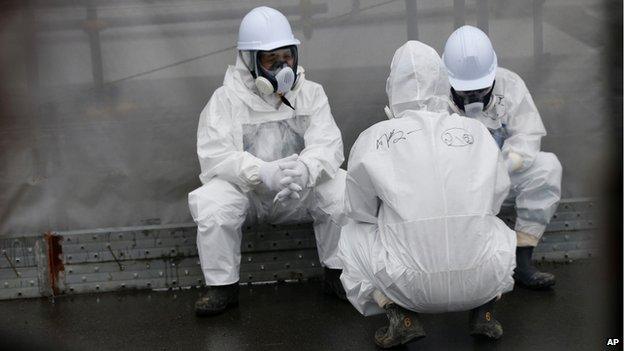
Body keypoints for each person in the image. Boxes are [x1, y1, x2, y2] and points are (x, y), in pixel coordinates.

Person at [339, 41, 516, 349]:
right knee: (498, 229)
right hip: (482, 277)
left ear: (392, 86)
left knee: (350, 234)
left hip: (406, 284)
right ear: (443, 82)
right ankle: (485, 309)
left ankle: (398, 314)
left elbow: (359, 210)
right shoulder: (476, 133)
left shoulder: (374, 138)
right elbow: (497, 199)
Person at [188, 6, 346, 316]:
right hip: (251, 196)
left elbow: (328, 144)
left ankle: (337, 275)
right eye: (270, 60)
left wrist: (305, 168)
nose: (282, 67)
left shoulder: (311, 94)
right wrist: (261, 172)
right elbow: (215, 156)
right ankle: (222, 288)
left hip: (299, 190)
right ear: (249, 62)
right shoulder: (225, 100)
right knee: (212, 202)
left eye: (286, 57)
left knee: (341, 189)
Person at [442, 25, 562, 289]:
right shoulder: (434, 96)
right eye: (465, 91)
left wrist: (506, 165)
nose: (473, 97)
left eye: (480, 89)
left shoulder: (511, 85)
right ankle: (453, 267)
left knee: (547, 165)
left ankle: (523, 260)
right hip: (453, 189)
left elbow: (528, 135)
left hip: (501, 179)